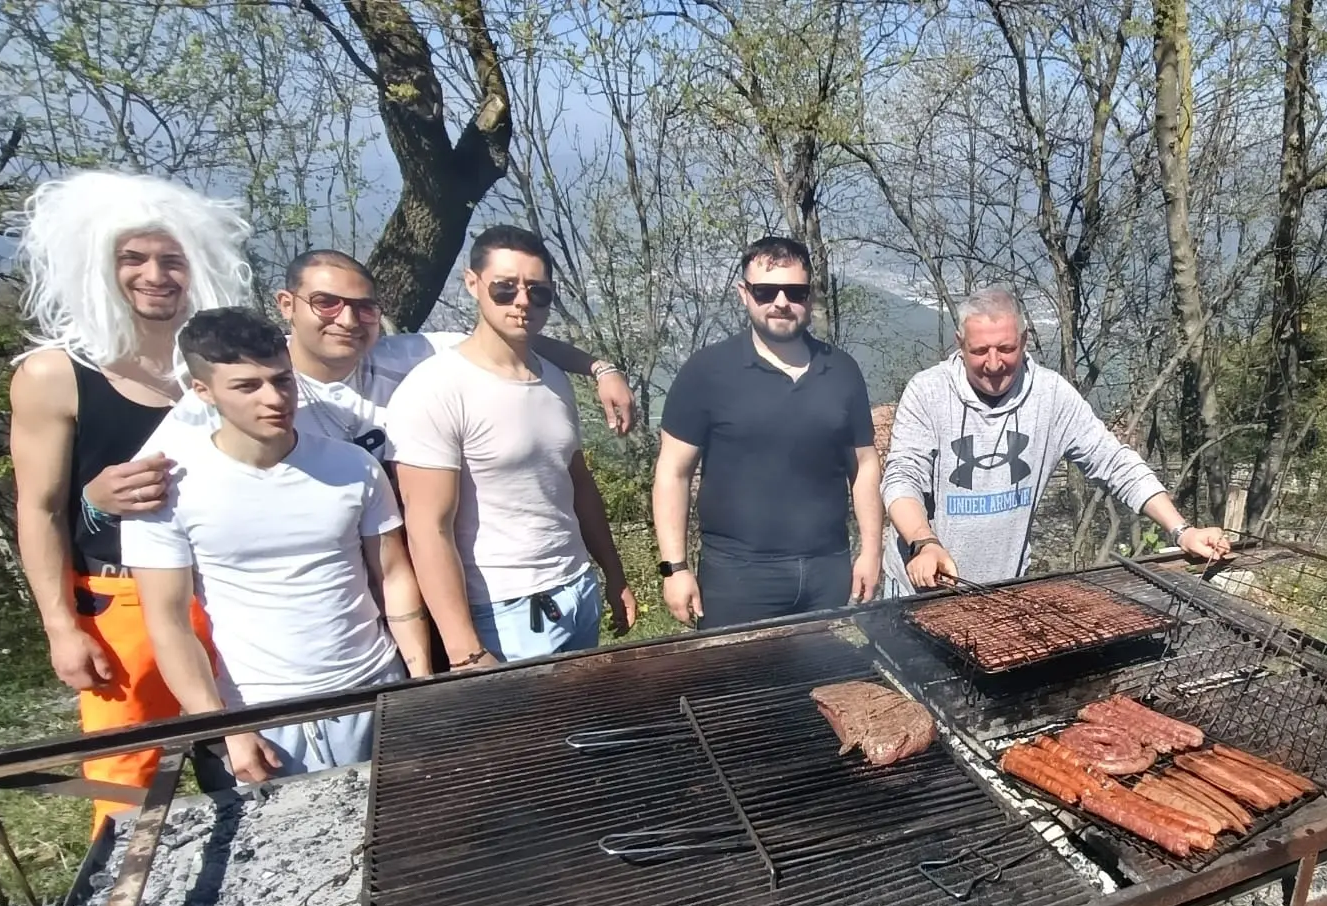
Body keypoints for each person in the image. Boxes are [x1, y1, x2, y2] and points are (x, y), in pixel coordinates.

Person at [5, 170, 250, 831]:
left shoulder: (226, 370)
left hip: (228, 595)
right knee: (124, 796)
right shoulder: (55, 375)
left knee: (257, 761)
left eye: (172, 259)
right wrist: (61, 626)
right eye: (133, 258)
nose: (155, 275)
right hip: (123, 609)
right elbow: (38, 508)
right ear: (98, 265)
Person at [124, 309, 432, 779]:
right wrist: (226, 726)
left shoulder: (354, 465)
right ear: (202, 391)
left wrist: (421, 682)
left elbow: (393, 575)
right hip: (263, 715)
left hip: (377, 690)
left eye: (282, 380)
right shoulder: (169, 488)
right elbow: (168, 623)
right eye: (247, 386)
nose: (274, 398)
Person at [387, 226, 634, 666]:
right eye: (504, 288)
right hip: (504, 610)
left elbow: (576, 484)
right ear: (472, 283)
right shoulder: (436, 389)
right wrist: (464, 648)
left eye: (537, 292)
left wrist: (613, 575)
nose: (522, 302)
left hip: (577, 589)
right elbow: (428, 531)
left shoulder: (553, 379)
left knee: (580, 726)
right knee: (531, 734)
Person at [881, 287, 1232, 594]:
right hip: (923, 584)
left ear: (1024, 341)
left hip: (1004, 587)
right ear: (959, 344)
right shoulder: (928, 392)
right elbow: (902, 478)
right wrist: (924, 542)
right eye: (979, 351)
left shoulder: (1050, 395)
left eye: (1005, 348)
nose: (993, 363)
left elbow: (1115, 462)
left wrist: (1181, 531)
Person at [145, 249, 637, 461]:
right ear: (287, 304)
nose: (346, 319)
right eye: (327, 303)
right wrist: (95, 504)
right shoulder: (246, 389)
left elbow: (508, 337)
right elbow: (147, 477)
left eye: (364, 308)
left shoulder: (406, 356)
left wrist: (600, 368)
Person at [653, 237, 883, 628]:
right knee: (739, 687)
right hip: (737, 576)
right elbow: (673, 472)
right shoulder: (707, 371)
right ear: (744, 294)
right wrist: (674, 568)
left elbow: (863, 465)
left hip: (828, 569)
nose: (780, 302)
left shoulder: (842, 371)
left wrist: (871, 551)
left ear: (809, 297)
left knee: (826, 684)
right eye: (765, 291)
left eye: (795, 292)